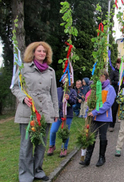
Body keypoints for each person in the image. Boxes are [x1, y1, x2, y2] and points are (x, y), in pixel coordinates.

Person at [11, 41, 59, 181]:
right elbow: (15, 87)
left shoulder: (51, 71)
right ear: (33, 52)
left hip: (46, 111)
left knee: (41, 145)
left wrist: (55, 112)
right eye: (39, 51)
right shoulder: (23, 68)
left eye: (44, 51)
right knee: (26, 145)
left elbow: (53, 93)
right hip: (28, 111)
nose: (42, 53)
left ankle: (37, 170)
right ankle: (25, 175)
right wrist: (22, 97)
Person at [79, 71, 116, 167]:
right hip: (93, 117)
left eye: (98, 76)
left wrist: (95, 112)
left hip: (104, 118)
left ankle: (101, 157)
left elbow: (108, 104)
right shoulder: (95, 88)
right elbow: (91, 102)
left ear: (103, 76)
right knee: (91, 137)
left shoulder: (110, 88)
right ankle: (87, 159)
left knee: (102, 137)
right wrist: (88, 113)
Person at [47, 79, 77, 157]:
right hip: (58, 114)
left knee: (65, 132)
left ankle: (64, 148)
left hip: (68, 115)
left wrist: (69, 98)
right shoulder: (57, 90)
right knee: (53, 130)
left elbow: (74, 101)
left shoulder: (72, 91)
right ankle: (52, 146)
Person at [109, 58, 121, 132]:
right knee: (113, 108)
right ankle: (111, 124)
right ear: (117, 64)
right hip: (115, 91)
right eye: (119, 63)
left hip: (122, 92)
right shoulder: (113, 72)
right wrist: (116, 82)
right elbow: (110, 81)